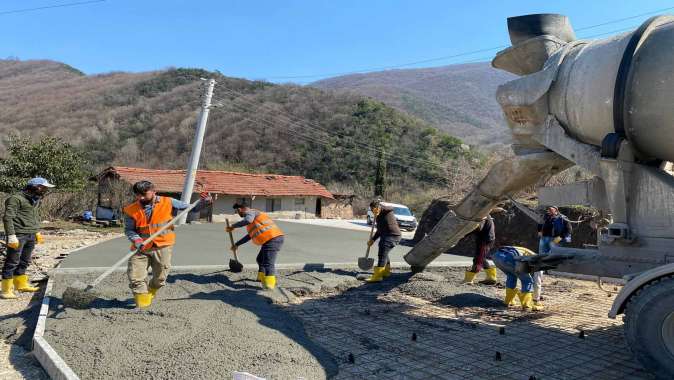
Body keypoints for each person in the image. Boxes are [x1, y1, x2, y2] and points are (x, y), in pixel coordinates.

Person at [123, 180, 211, 308]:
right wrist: (137, 240)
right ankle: (142, 305)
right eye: (138, 195)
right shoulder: (131, 210)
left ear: (154, 191)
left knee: (159, 278)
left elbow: (192, 208)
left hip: (163, 246)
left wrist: (205, 202)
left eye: (144, 194)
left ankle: (151, 291)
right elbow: (129, 229)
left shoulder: (169, 202)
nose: (140, 197)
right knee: (135, 277)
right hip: (141, 248)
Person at [1, 177, 54, 299]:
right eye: (44, 187)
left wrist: (36, 232)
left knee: (25, 261)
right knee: (12, 262)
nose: (45, 190)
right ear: (36, 187)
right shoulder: (15, 199)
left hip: (30, 234)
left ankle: (20, 284)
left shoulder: (34, 199)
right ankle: (6, 290)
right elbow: (8, 218)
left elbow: (33, 217)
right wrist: (11, 235)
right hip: (18, 234)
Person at [226, 202, 284, 289]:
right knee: (260, 259)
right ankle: (261, 278)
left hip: (273, 238)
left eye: (237, 211)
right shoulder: (253, 220)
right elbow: (250, 235)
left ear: (240, 209)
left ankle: (270, 286)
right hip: (269, 240)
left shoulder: (251, 213)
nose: (238, 213)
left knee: (268, 263)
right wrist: (237, 244)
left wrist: (233, 226)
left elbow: (248, 220)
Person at [536, 205, 572, 304]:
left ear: (556, 210)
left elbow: (569, 229)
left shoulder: (563, 218)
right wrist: (539, 231)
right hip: (544, 238)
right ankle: (543, 270)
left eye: (552, 210)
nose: (550, 211)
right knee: (542, 256)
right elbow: (540, 224)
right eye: (549, 210)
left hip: (555, 239)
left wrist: (560, 237)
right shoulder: (546, 217)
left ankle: (552, 269)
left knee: (553, 256)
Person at [492, 246, 544, 311]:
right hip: (510, 257)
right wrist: (536, 300)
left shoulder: (530, 253)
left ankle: (508, 301)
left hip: (496, 256)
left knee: (511, 276)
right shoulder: (539, 262)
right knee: (527, 281)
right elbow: (537, 282)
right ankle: (527, 306)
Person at [365, 200, 402, 283]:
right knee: (385, 252)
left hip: (393, 235)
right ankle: (386, 271)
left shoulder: (386, 211)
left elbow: (387, 208)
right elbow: (379, 230)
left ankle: (378, 276)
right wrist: (373, 240)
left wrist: (380, 209)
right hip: (388, 235)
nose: (373, 211)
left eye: (374, 209)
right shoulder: (378, 216)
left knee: (382, 253)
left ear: (378, 208)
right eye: (371, 210)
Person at [462, 215, 497, 285]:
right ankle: (491, 277)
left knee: (478, 260)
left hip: (485, 240)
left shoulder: (482, 216)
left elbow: (478, 228)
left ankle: (469, 280)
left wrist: (464, 233)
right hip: (488, 239)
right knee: (482, 258)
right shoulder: (486, 215)